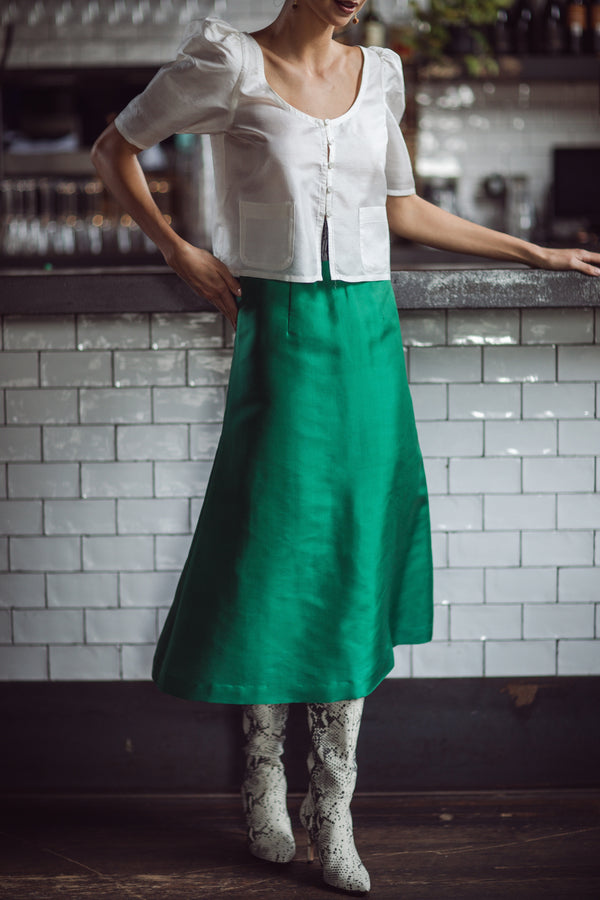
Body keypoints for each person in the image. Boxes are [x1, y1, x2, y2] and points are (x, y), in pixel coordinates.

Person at [91, 0, 600, 893]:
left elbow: (400, 208)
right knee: (273, 553)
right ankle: (261, 774)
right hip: (282, 333)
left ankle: (333, 802)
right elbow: (114, 149)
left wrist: (534, 254)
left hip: (369, 333)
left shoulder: (383, 74)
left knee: (357, 554)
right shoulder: (228, 64)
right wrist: (179, 251)